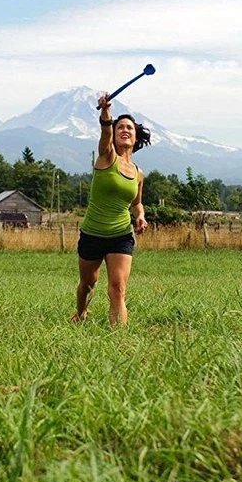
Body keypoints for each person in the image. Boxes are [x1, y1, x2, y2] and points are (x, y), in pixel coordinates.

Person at [72, 93, 151, 325]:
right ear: (114, 135)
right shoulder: (107, 157)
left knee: (117, 289)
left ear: (136, 137)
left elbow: (136, 203)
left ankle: (119, 341)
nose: (124, 130)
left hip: (121, 236)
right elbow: (105, 132)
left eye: (129, 128)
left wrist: (141, 217)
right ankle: (81, 313)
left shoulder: (138, 172)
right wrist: (106, 113)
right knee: (88, 284)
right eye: (120, 128)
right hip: (93, 233)